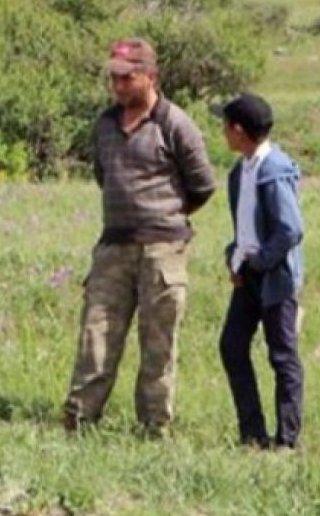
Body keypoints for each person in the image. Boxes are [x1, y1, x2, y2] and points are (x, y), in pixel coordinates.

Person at [62, 38, 216, 437]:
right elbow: (103, 176)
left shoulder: (175, 123)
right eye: (114, 76)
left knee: (158, 340)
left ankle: (154, 426)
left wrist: (161, 218)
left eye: (127, 77)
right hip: (113, 245)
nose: (118, 85)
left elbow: (202, 185)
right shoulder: (105, 124)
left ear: (150, 76)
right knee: (96, 335)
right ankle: (79, 420)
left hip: (162, 248)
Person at [210, 92, 305, 449]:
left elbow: (290, 229)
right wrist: (235, 257)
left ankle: (287, 440)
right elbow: (245, 229)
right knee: (232, 346)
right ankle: (252, 434)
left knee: (282, 355)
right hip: (248, 274)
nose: (222, 132)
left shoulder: (274, 169)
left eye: (225, 126)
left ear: (237, 130)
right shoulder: (241, 171)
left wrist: (261, 261)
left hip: (274, 277)